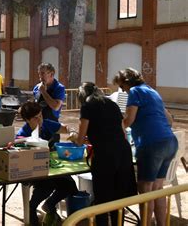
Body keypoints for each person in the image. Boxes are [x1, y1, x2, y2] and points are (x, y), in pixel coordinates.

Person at [113, 68, 177, 226]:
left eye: (122, 87)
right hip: (169, 142)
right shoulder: (152, 91)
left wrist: (116, 128)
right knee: (158, 188)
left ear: (127, 82)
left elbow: (128, 120)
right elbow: (169, 120)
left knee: (145, 190)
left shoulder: (135, 91)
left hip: (152, 144)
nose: (123, 91)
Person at [72, 82, 137, 225]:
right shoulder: (111, 104)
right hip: (123, 153)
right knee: (118, 199)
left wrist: (74, 137)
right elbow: (123, 133)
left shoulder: (87, 106)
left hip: (105, 156)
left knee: (102, 199)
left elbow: (80, 139)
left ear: (82, 96)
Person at [16, 101, 78, 225]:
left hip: (50, 166)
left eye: (41, 115)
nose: (40, 120)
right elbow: (16, 144)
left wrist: (72, 132)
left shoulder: (47, 124)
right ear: (27, 120)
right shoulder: (23, 133)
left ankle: (49, 204)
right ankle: (31, 208)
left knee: (70, 185)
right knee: (47, 185)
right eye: (35, 118)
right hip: (33, 170)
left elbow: (64, 128)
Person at [33, 63, 65, 146]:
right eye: (39, 73)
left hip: (52, 126)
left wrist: (43, 91)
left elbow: (56, 107)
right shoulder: (37, 88)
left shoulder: (59, 88)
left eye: (43, 73)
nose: (40, 76)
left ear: (51, 74)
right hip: (38, 126)